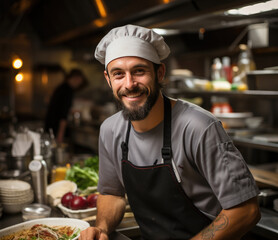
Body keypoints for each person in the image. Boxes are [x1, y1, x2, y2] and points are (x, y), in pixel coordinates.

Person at [79, 25, 260, 240]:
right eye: (118, 74)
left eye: (139, 71)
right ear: (109, 80)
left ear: (160, 73)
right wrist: (102, 229)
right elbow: (112, 193)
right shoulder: (110, 130)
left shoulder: (198, 127)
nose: (129, 84)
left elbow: (246, 211)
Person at [45, 68, 87, 143]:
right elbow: (63, 115)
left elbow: (59, 108)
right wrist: (60, 135)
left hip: (50, 125)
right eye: (80, 81)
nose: (79, 84)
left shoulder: (61, 87)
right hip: (55, 127)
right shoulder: (68, 91)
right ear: (76, 78)